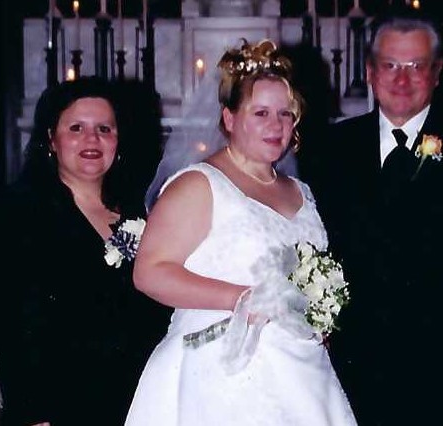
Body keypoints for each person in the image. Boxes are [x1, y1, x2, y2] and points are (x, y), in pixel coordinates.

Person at [124, 39, 357, 425]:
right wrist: (244, 300)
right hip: (217, 372)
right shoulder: (200, 184)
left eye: (285, 114)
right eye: (261, 112)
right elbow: (149, 273)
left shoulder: (301, 191)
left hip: (301, 374)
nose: (276, 125)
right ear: (229, 118)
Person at [322, 11, 443, 425]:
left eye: (416, 66)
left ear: (437, 72)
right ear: (370, 72)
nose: (402, 79)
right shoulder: (331, 148)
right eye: (390, 65)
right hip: (350, 371)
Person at [0, 76, 170, 426]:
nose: (92, 139)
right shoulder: (18, 211)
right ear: (51, 139)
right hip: (60, 404)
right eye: (76, 128)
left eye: (104, 128)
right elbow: (11, 320)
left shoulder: (136, 211)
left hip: (136, 399)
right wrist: (32, 410)